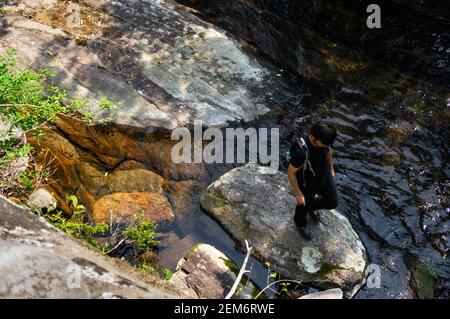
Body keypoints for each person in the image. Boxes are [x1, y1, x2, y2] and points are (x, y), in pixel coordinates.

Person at [287, 121, 339, 240]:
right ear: (314, 137)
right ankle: (300, 223)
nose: (326, 145)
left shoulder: (325, 140)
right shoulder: (301, 151)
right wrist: (298, 194)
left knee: (333, 202)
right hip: (307, 182)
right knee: (303, 205)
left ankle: (310, 207)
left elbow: (329, 151)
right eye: (324, 144)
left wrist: (331, 168)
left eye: (328, 144)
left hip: (324, 176)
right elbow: (291, 172)